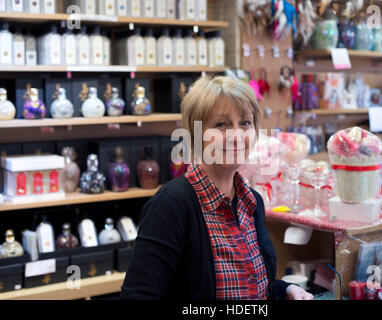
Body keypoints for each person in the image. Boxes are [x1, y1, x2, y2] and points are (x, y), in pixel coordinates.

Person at [120, 75, 313, 300]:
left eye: (245, 123)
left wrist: (284, 289)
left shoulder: (252, 202)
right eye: (221, 125)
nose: (236, 136)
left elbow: (247, 285)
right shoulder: (171, 206)